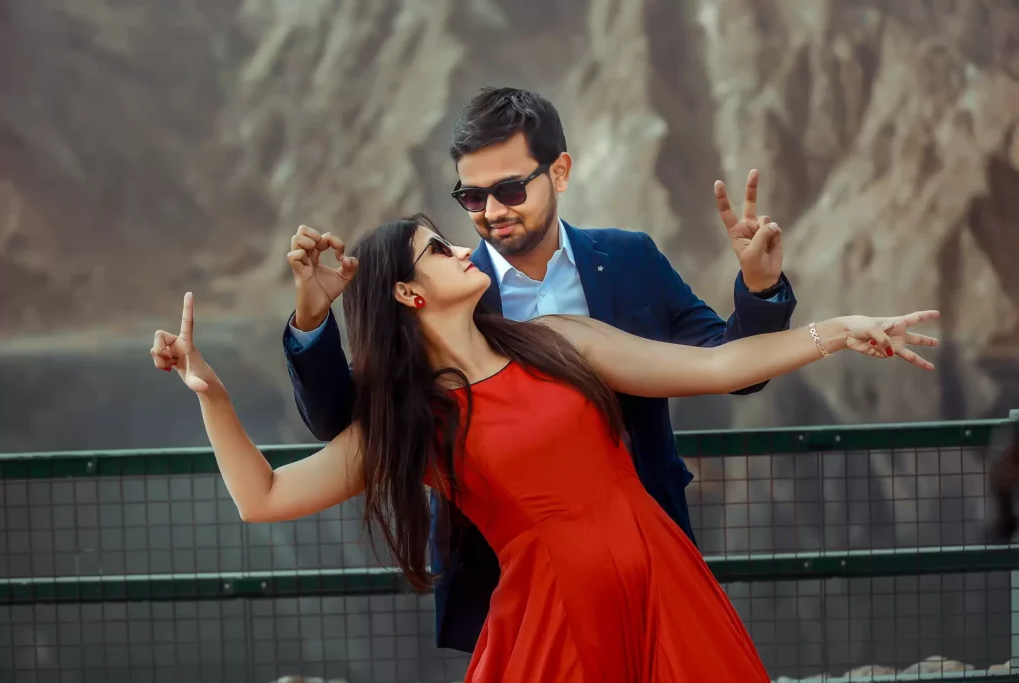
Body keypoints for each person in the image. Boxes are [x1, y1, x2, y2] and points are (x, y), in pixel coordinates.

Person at [150, 214, 939, 681]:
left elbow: (718, 364)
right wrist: (210, 394)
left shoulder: (556, 338)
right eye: (436, 248)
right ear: (408, 293)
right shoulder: (416, 420)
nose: (464, 248)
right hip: (555, 621)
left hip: (662, 582)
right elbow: (264, 497)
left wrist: (836, 330)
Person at [281, 87, 799, 651]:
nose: (493, 212)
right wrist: (312, 317)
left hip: (648, 558)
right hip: (509, 588)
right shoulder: (447, 294)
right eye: (473, 197)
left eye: (508, 189)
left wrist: (759, 287)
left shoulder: (631, 260)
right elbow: (342, 421)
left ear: (559, 172)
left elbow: (735, 368)